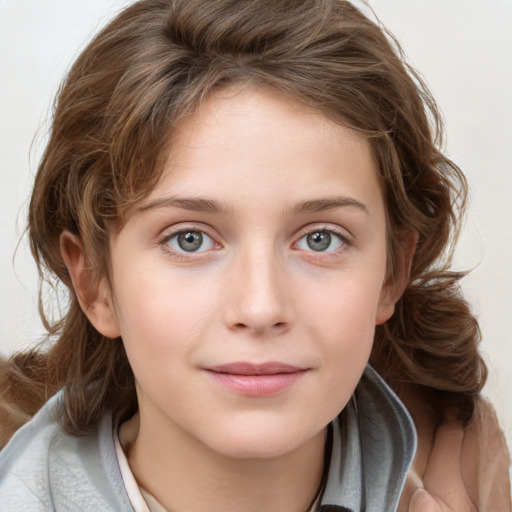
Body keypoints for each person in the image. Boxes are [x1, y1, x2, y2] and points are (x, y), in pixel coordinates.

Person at [0, 0, 509, 510]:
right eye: (189, 239)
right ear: (95, 282)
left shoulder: (466, 474)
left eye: (320, 238)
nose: (261, 308)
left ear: (391, 273)